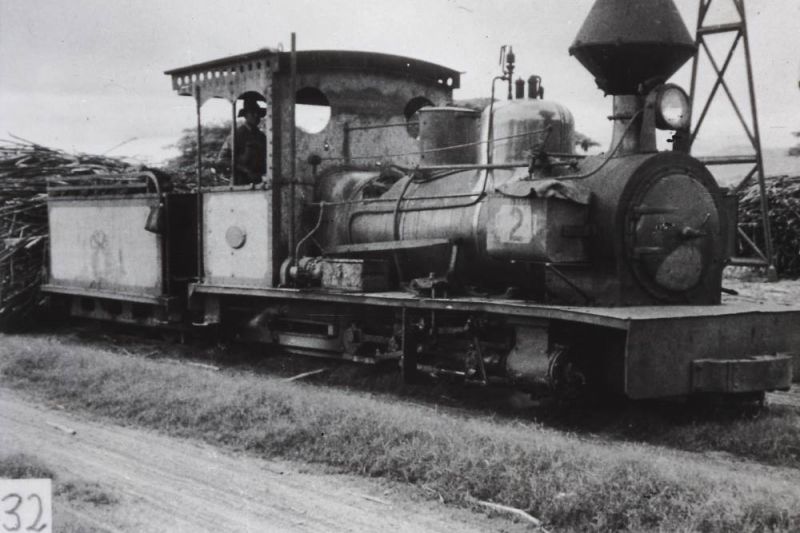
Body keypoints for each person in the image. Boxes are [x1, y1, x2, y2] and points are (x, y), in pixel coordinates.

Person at [217, 96, 267, 184]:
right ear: (246, 115)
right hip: (240, 183)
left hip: (258, 182)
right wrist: (245, 170)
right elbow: (222, 159)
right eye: (252, 112)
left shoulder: (262, 136)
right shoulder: (237, 135)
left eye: (258, 112)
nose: (256, 115)